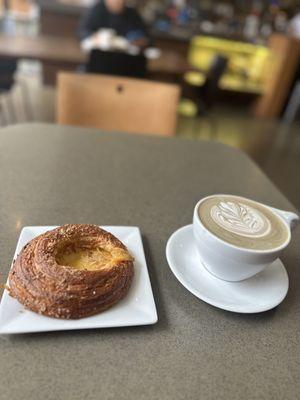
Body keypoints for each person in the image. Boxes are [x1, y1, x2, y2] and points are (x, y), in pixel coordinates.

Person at [78, 0, 149, 49]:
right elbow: (82, 31)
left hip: (126, 59)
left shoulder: (132, 14)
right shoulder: (97, 9)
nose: (118, 1)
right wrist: (94, 36)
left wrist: (140, 41)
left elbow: (146, 37)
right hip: (99, 56)